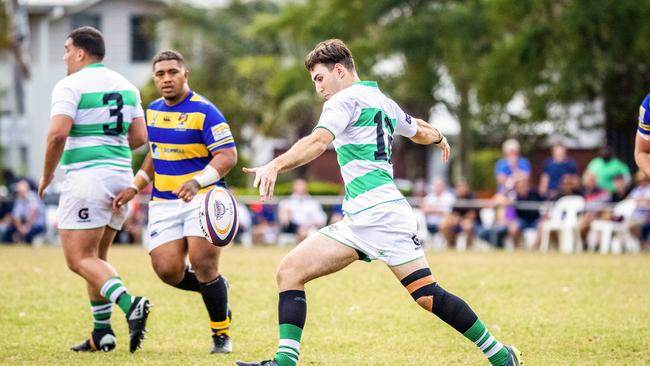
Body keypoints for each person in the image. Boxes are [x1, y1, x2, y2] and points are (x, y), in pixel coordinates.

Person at [235, 39, 521, 366]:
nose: (318, 88)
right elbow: (419, 131)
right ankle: (284, 363)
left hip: (379, 214)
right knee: (291, 271)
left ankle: (500, 355)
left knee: (427, 295)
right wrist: (440, 137)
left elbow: (317, 142)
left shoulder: (343, 101)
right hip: (364, 217)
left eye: (319, 78)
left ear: (339, 70)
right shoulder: (382, 101)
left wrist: (275, 164)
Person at [113, 50, 237, 354]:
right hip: (164, 202)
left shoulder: (206, 111)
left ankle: (220, 334)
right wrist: (135, 186)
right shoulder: (152, 112)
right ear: (154, 78)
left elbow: (228, 155)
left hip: (203, 198)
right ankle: (217, 292)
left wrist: (197, 182)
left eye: (172, 72)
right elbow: (156, 155)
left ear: (185, 74)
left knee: (202, 262)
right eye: (160, 74)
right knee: (167, 270)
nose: (166, 79)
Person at [37, 26, 150, 353]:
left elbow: (57, 135)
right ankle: (102, 334)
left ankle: (132, 305)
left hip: (87, 179)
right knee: (97, 259)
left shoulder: (70, 85)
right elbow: (139, 137)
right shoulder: (127, 86)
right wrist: (111, 147)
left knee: (77, 259)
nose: (64, 57)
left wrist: (46, 177)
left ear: (80, 53)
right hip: (119, 176)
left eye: (66, 49)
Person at [506, 177, 544, 249]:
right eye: (519, 187)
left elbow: (544, 205)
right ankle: (515, 248)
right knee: (513, 228)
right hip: (522, 220)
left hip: (535, 219)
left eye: (523, 186)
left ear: (527, 186)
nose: (521, 189)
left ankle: (533, 248)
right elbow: (510, 213)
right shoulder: (514, 197)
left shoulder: (535, 194)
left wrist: (543, 218)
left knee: (542, 226)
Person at [5, 179, 46, 244]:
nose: (18, 192)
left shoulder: (33, 197)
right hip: (24, 224)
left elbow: (34, 213)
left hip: (36, 224)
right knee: (8, 231)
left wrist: (27, 226)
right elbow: (16, 216)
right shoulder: (19, 199)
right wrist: (20, 228)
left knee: (29, 234)